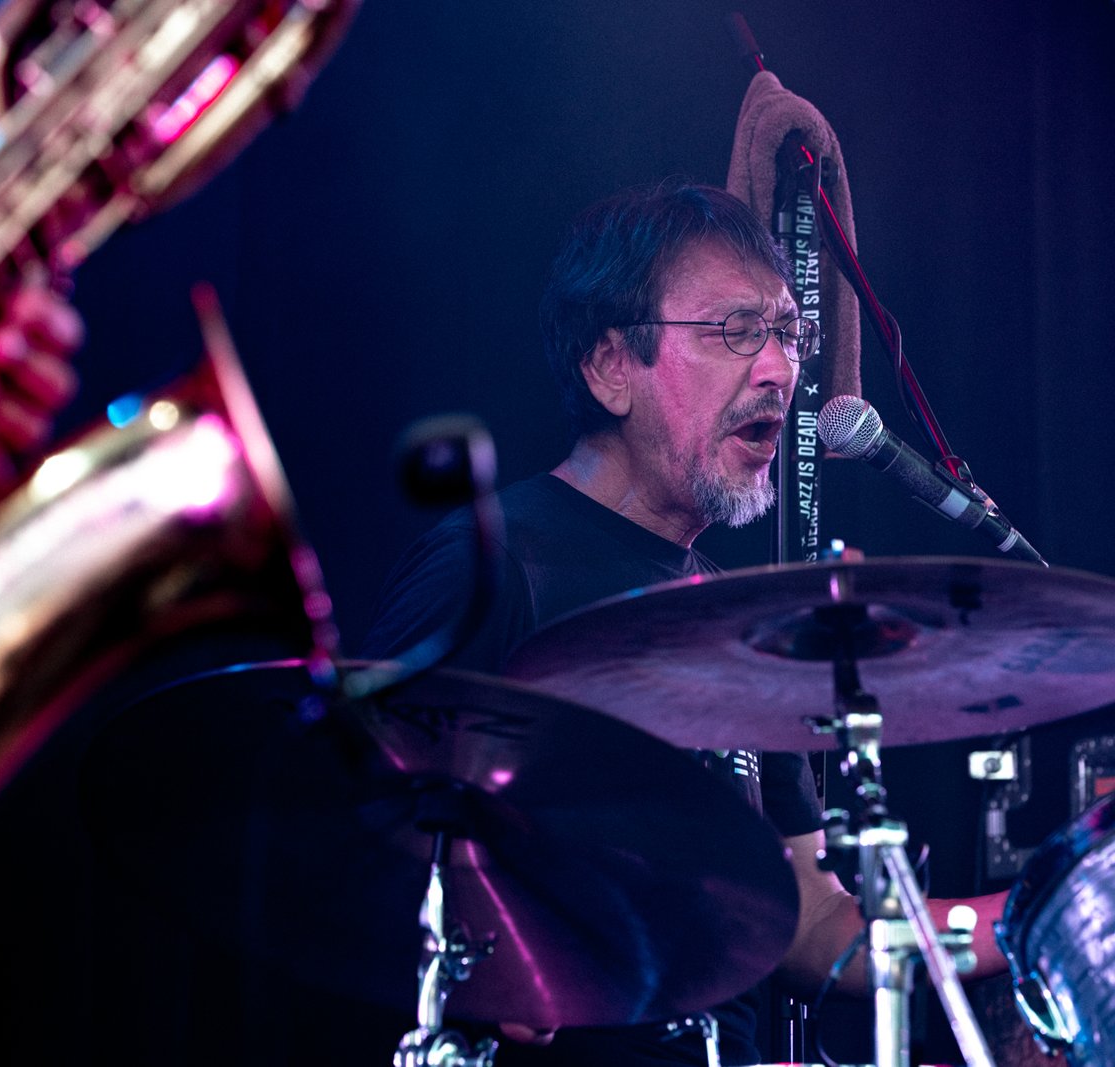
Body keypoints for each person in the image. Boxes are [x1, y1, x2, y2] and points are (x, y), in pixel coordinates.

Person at [362, 181, 1007, 1065]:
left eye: (788, 334)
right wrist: (487, 957)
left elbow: (813, 921)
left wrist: (1039, 914)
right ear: (609, 366)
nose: (779, 370)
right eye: (735, 330)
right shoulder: (493, 566)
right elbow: (345, 837)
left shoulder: (737, 620)